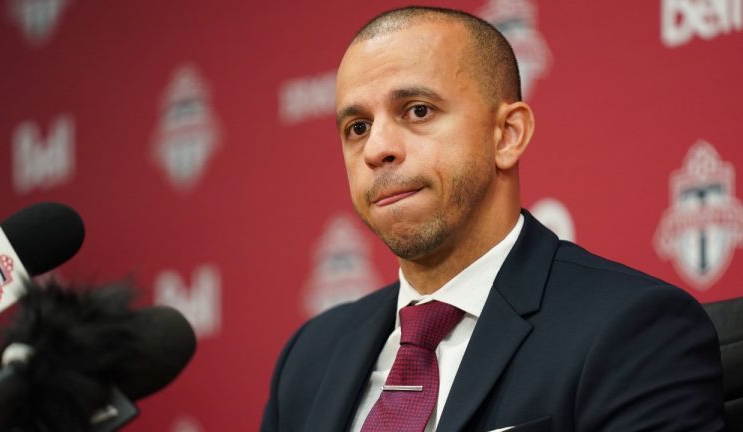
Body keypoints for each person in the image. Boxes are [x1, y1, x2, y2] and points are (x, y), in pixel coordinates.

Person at [261, 6, 724, 432]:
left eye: (417, 111)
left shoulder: (633, 331)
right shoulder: (309, 358)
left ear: (507, 135)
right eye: (357, 127)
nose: (377, 148)